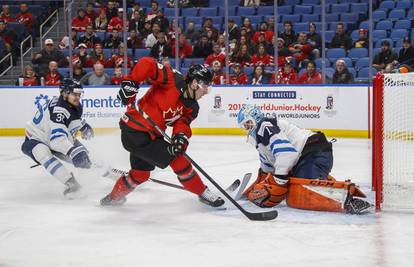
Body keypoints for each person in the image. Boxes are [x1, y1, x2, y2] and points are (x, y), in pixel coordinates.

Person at [100, 57, 224, 208]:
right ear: (194, 83)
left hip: (150, 136)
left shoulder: (192, 107)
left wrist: (180, 138)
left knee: (140, 174)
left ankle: (113, 198)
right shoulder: (173, 79)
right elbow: (147, 63)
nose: (206, 91)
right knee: (178, 160)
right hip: (135, 129)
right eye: (205, 86)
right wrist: (132, 83)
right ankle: (203, 192)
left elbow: (182, 125)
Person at [236, 105, 372, 214]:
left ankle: (349, 201)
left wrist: (279, 179)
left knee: (302, 192)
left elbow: (286, 153)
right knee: (293, 186)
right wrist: (251, 192)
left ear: (256, 117)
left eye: (248, 123)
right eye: (244, 125)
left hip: (314, 151)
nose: (246, 127)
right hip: (307, 155)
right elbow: (268, 167)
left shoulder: (264, 126)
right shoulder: (258, 138)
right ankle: (329, 184)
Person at [21, 79, 94, 198]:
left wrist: (81, 125)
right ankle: (71, 183)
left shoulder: (72, 105)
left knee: (87, 160)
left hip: (55, 136)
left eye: (79, 94)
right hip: (35, 139)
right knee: (43, 153)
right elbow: (56, 140)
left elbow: (68, 122)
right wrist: (72, 151)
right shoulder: (58, 111)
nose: (78, 97)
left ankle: (113, 174)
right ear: (64, 93)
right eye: (74, 94)